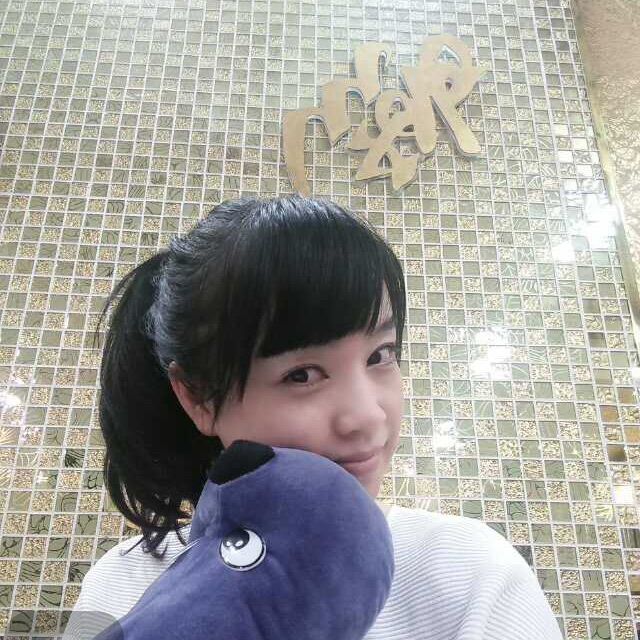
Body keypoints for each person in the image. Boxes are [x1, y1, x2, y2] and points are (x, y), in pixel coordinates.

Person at [63, 195, 564, 639]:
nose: (367, 416)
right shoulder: (122, 583)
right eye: (302, 374)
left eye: (380, 355)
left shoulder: (467, 571)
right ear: (199, 398)